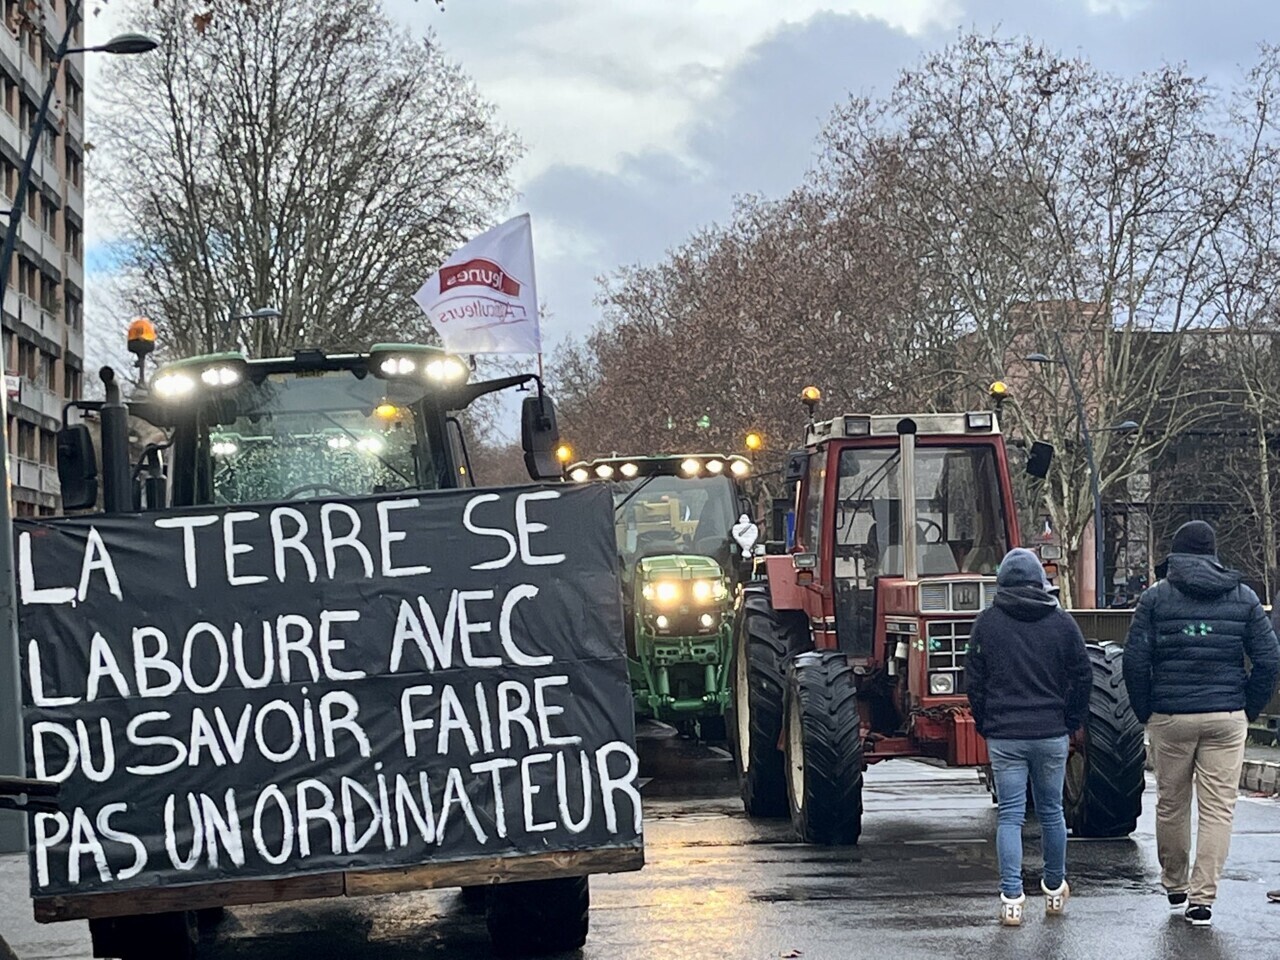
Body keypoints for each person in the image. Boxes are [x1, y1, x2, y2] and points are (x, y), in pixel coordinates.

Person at [1123, 520, 1279, 927]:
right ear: (1213, 553)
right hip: (1226, 716)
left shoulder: (1155, 600)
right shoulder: (1244, 597)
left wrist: (1147, 711)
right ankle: (1203, 898)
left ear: (1175, 554)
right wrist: (1247, 708)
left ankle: (1175, 884)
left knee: (1172, 803)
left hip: (1170, 716)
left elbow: (1135, 660)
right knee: (1217, 811)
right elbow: (1268, 658)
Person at [967, 547, 1093, 927]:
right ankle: (1053, 890)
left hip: (1006, 734)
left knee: (1011, 815)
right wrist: (1069, 719)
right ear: (1041, 581)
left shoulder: (986, 624)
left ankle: (1011, 899)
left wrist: (986, 721)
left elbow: (974, 681)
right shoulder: (1062, 623)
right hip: (1051, 731)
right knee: (1052, 812)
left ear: (1001, 581)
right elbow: (1083, 675)